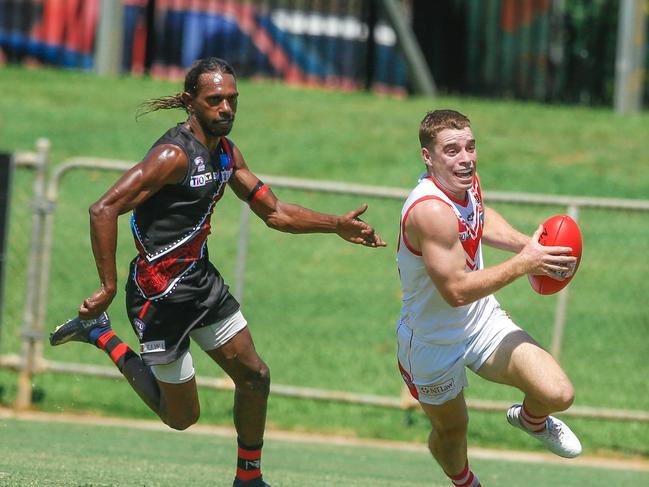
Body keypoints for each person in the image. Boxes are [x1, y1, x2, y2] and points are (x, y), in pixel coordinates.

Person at [49, 57, 385, 487]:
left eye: (232, 99)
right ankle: (100, 333)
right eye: (215, 100)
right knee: (182, 416)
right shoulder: (171, 156)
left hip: (202, 285)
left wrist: (334, 224)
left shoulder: (226, 154)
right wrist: (107, 286)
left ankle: (249, 478)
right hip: (159, 296)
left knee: (255, 376)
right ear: (191, 102)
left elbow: (276, 212)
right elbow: (103, 208)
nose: (226, 108)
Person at [396, 110, 581, 487]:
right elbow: (456, 291)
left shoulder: (466, 183)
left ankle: (531, 419)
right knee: (452, 433)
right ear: (428, 158)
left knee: (558, 392)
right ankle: (466, 483)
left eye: (470, 147)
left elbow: (480, 216)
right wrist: (524, 262)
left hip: (481, 322)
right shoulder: (430, 211)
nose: (464, 158)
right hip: (432, 341)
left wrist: (527, 245)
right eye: (451, 150)